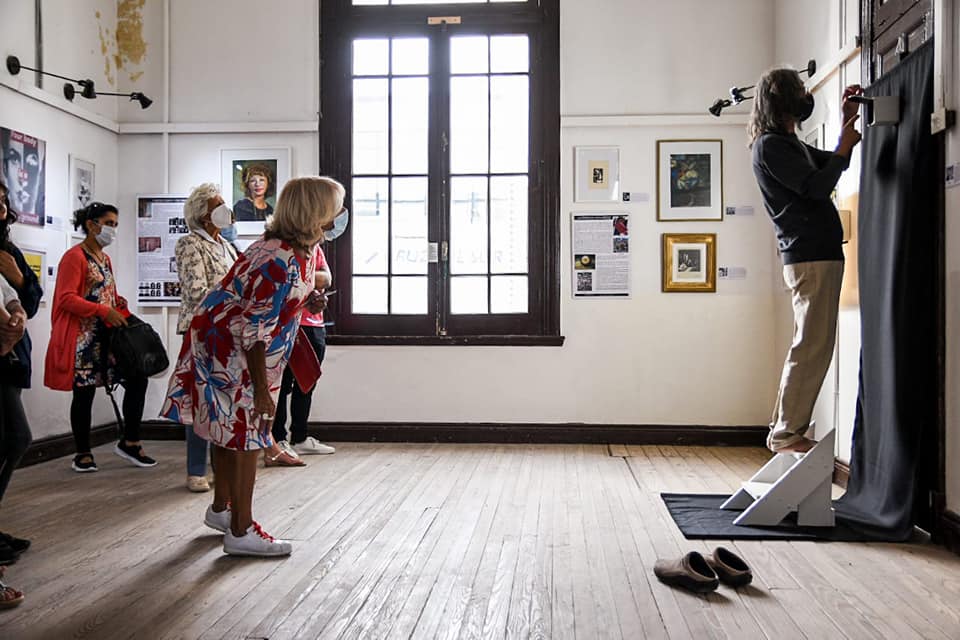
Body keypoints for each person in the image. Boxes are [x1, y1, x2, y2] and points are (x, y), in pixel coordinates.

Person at [162, 176, 344, 557]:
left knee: (228, 431)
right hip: (231, 350)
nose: (339, 216)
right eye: (334, 209)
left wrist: (308, 303)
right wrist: (262, 392)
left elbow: (277, 303)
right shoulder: (276, 256)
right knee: (247, 434)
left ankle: (222, 511)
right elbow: (253, 329)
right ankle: (241, 531)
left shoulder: (300, 250)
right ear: (314, 213)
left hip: (230, 343)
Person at [749, 68, 862, 453]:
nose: (806, 95)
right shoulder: (771, 146)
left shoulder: (787, 144)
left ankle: (784, 428)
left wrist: (847, 124)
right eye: (799, 89)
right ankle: (785, 433)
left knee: (809, 344)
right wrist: (845, 145)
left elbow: (832, 163)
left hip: (816, 255)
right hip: (810, 256)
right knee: (811, 346)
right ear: (782, 99)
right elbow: (816, 186)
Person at [45, 202, 156, 472]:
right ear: (92, 224)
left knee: (137, 379)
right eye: (109, 224)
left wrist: (117, 304)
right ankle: (82, 452)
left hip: (108, 336)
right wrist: (102, 310)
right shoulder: (75, 257)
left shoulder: (105, 259)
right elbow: (66, 298)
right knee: (83, 394)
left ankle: (131, 441)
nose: (112, 230)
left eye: (116, 225)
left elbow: (107, 293)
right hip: (82, 338)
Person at [174, 184, 240, 492]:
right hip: (203, 330)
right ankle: (196, 469)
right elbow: (197, 292)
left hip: (228, 331)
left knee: (223, 401)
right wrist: (231, 300)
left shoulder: (226, 246)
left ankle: (220, 465)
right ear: (203, 214)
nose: (226, 210)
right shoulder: (190, 244)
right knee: (199, 400)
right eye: (219, 205)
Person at [0, 182, 41, 571]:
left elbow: (31, 300)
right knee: (15, 437)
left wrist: (18, 280)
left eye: (2, 200)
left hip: (11, 357)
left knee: (12, 438)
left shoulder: (8, 249)